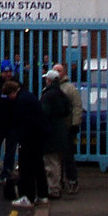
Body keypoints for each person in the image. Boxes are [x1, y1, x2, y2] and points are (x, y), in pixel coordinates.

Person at [5, 79, 49, 209]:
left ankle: (27, 197)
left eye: (9, 96)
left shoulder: (21, 101)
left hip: (29, 138)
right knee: (38, 166)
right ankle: (42, 195)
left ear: (12, 93)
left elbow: (24, 121)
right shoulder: (28, 96)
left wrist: (20, 138)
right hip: (39, 136)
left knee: (26, 168)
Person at [40, 69, 71, 199]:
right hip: (61, 130)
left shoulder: (48, 95)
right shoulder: (62, 94)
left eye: (46, 79)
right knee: (58, 161)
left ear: (49, 80)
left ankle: (53, 189)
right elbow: (67, 110)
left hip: (50, 132)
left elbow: (43, 113)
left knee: (51, 163)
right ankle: (57, 185)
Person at [0, 60, 19, 185]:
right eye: (6, 71)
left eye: (10, 71)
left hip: (12, 124)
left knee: (10, 152)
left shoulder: (17, 85)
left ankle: (6, 173)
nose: (8, 74)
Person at [54, 63, 82, 194]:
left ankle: (72, 180)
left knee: (67, 156)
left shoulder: (70, 89)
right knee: (55, 157)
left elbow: (77, 106)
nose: (57, 73)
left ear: (64, 73)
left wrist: (75, 124)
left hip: (66, 127)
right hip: (55, 128)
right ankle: (58, 181)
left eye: (59, 71)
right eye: (54, 71)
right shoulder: (51, 88)